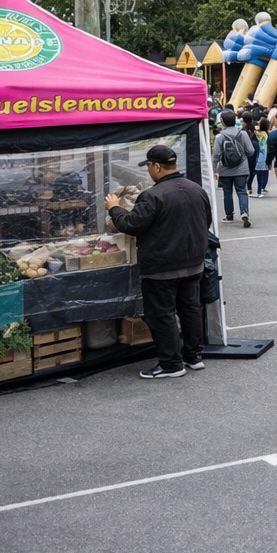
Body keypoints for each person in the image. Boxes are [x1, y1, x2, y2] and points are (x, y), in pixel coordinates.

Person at [105, 145, 212, 379]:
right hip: (194, 263)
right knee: (190, 309)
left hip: (163, 268)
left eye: (149, 166)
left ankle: (171, 364)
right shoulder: (196, 189)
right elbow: (207, 222)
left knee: (162, 314)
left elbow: (131, 225)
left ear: (156, 166)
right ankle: (193, 356)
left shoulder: (152, 195)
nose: (149, 171)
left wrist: (114, 209)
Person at [211, 110, 254, 228]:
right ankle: (244, 212)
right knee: (242, 191)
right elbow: (251, 150)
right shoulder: (243, 134)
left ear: (223, 122)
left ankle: (229, 215)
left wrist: (214, 170)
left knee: (227, 192)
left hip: (225, 169)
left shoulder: (219, 136)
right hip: (242, 168)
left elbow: (216, 155)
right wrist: (243, 157)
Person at [241, 111, 262, 194]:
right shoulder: (255, 128)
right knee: (252, 169)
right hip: (255, 150)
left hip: (246, 151)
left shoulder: (243, 131)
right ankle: (249, 186)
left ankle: (248, 186)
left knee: (247, 169)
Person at [253, 118, 272, 197]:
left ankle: (259, 189)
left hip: (258, 155)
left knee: (259, 174)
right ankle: (263, 186)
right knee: (266, 172)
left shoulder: (256, 133)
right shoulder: (268, 134)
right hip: (266, 155)